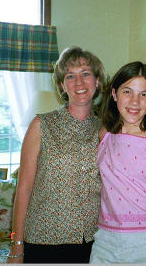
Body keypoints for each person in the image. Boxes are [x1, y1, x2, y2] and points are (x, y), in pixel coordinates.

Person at [7, 46, 105, 263]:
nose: (79, 83)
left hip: (92, 243)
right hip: (43, 242)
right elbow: (23, 189)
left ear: (97, 81)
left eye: (86, 74)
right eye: (70, 76)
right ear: (62, 84)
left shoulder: (105, 130)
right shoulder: (41, 125)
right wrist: (16, 247)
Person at [89, 61, 146, 263]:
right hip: (105, 241)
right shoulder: (104, 134)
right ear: (114, 94)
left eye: (144, 94)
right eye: (127, 92)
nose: (135, 101)